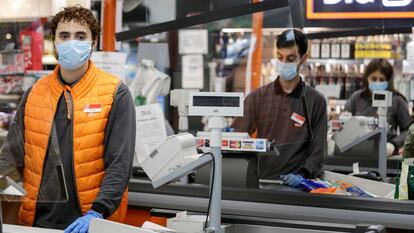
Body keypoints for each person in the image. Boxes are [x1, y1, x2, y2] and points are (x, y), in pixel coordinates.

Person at [0, 6, 136, 232]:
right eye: (64, 36)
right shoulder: (34, 93)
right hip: (36, 223)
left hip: (91, 223)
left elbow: (119, 165)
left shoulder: (115, 93)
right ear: (54, 41)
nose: (72, 42)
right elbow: (11, 157)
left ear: (93, 43)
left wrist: (98, 212)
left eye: (81, 36)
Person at [231, 29, 327, 187]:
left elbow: (318, 151)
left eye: (290, 58)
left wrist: (303, 175)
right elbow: (235, 138)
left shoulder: (315, 101)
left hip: (296, 187)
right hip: (260, 182)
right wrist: (228, 137)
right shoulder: (257, 97)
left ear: (303, 59)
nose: (284, 63)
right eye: (280, 57)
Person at [344, 59, 411, 156]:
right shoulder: (356, 98)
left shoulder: (397, 100)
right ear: (367, 78)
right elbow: (344, 126)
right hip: (357, 154)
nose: (378, 83)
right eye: (374, 79)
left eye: (382, 79)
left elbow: (408, 131)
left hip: (386, 155)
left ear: (388, 81)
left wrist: (393, 144)